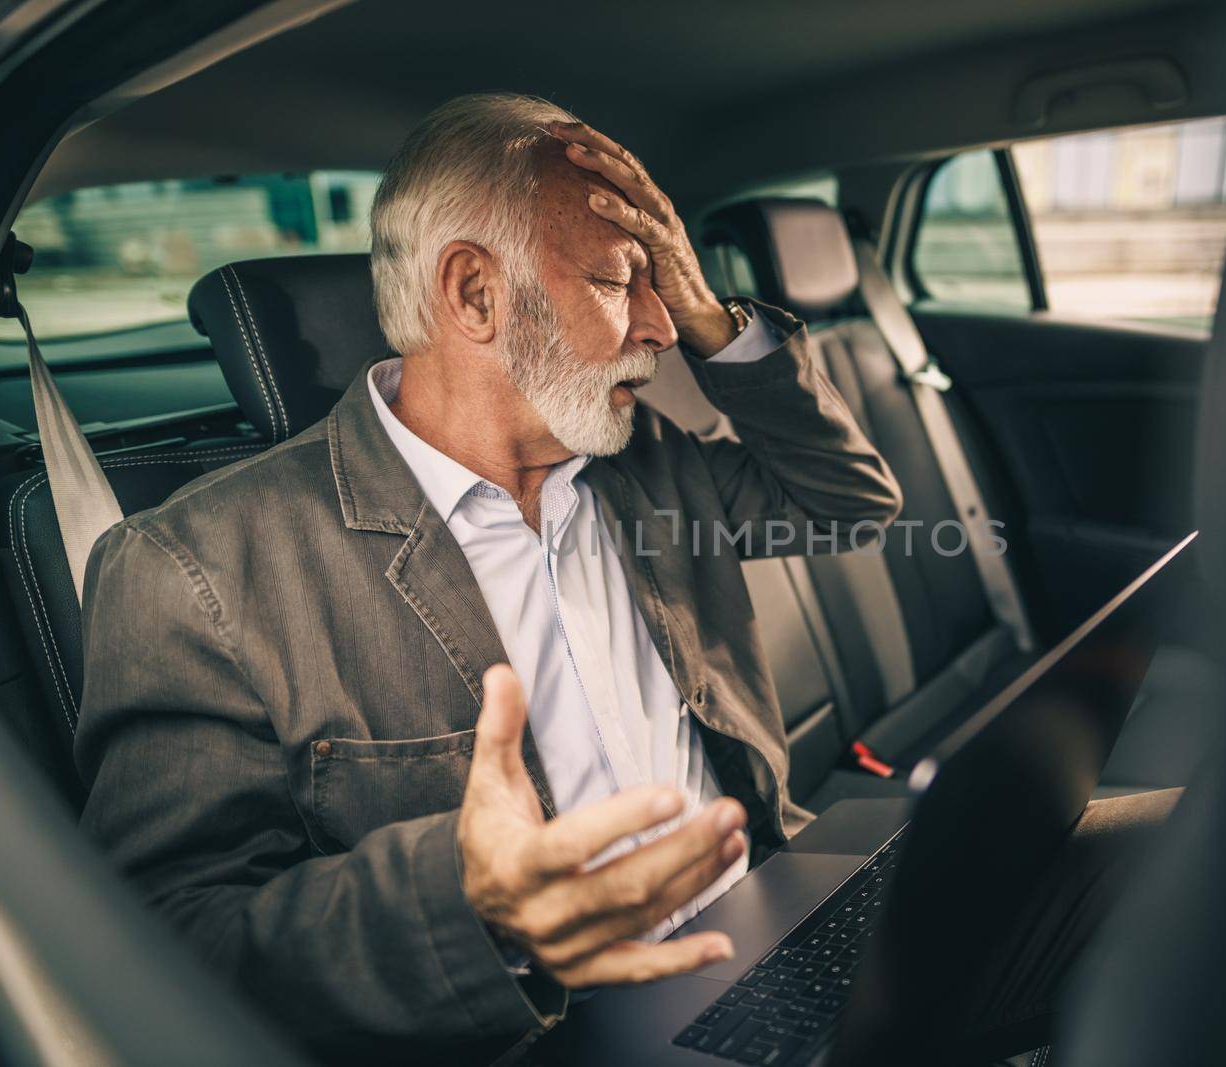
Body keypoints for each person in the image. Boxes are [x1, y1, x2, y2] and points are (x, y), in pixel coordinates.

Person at [75, 93, 900, 1062]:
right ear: (473, 294)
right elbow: (162, 936)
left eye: (663, 287)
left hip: (768, 933)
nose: (661, 326)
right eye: (620, 281)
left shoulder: (649, 464)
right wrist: (474, 910)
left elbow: (851, 502)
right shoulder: (198, 568)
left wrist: (711, 307)